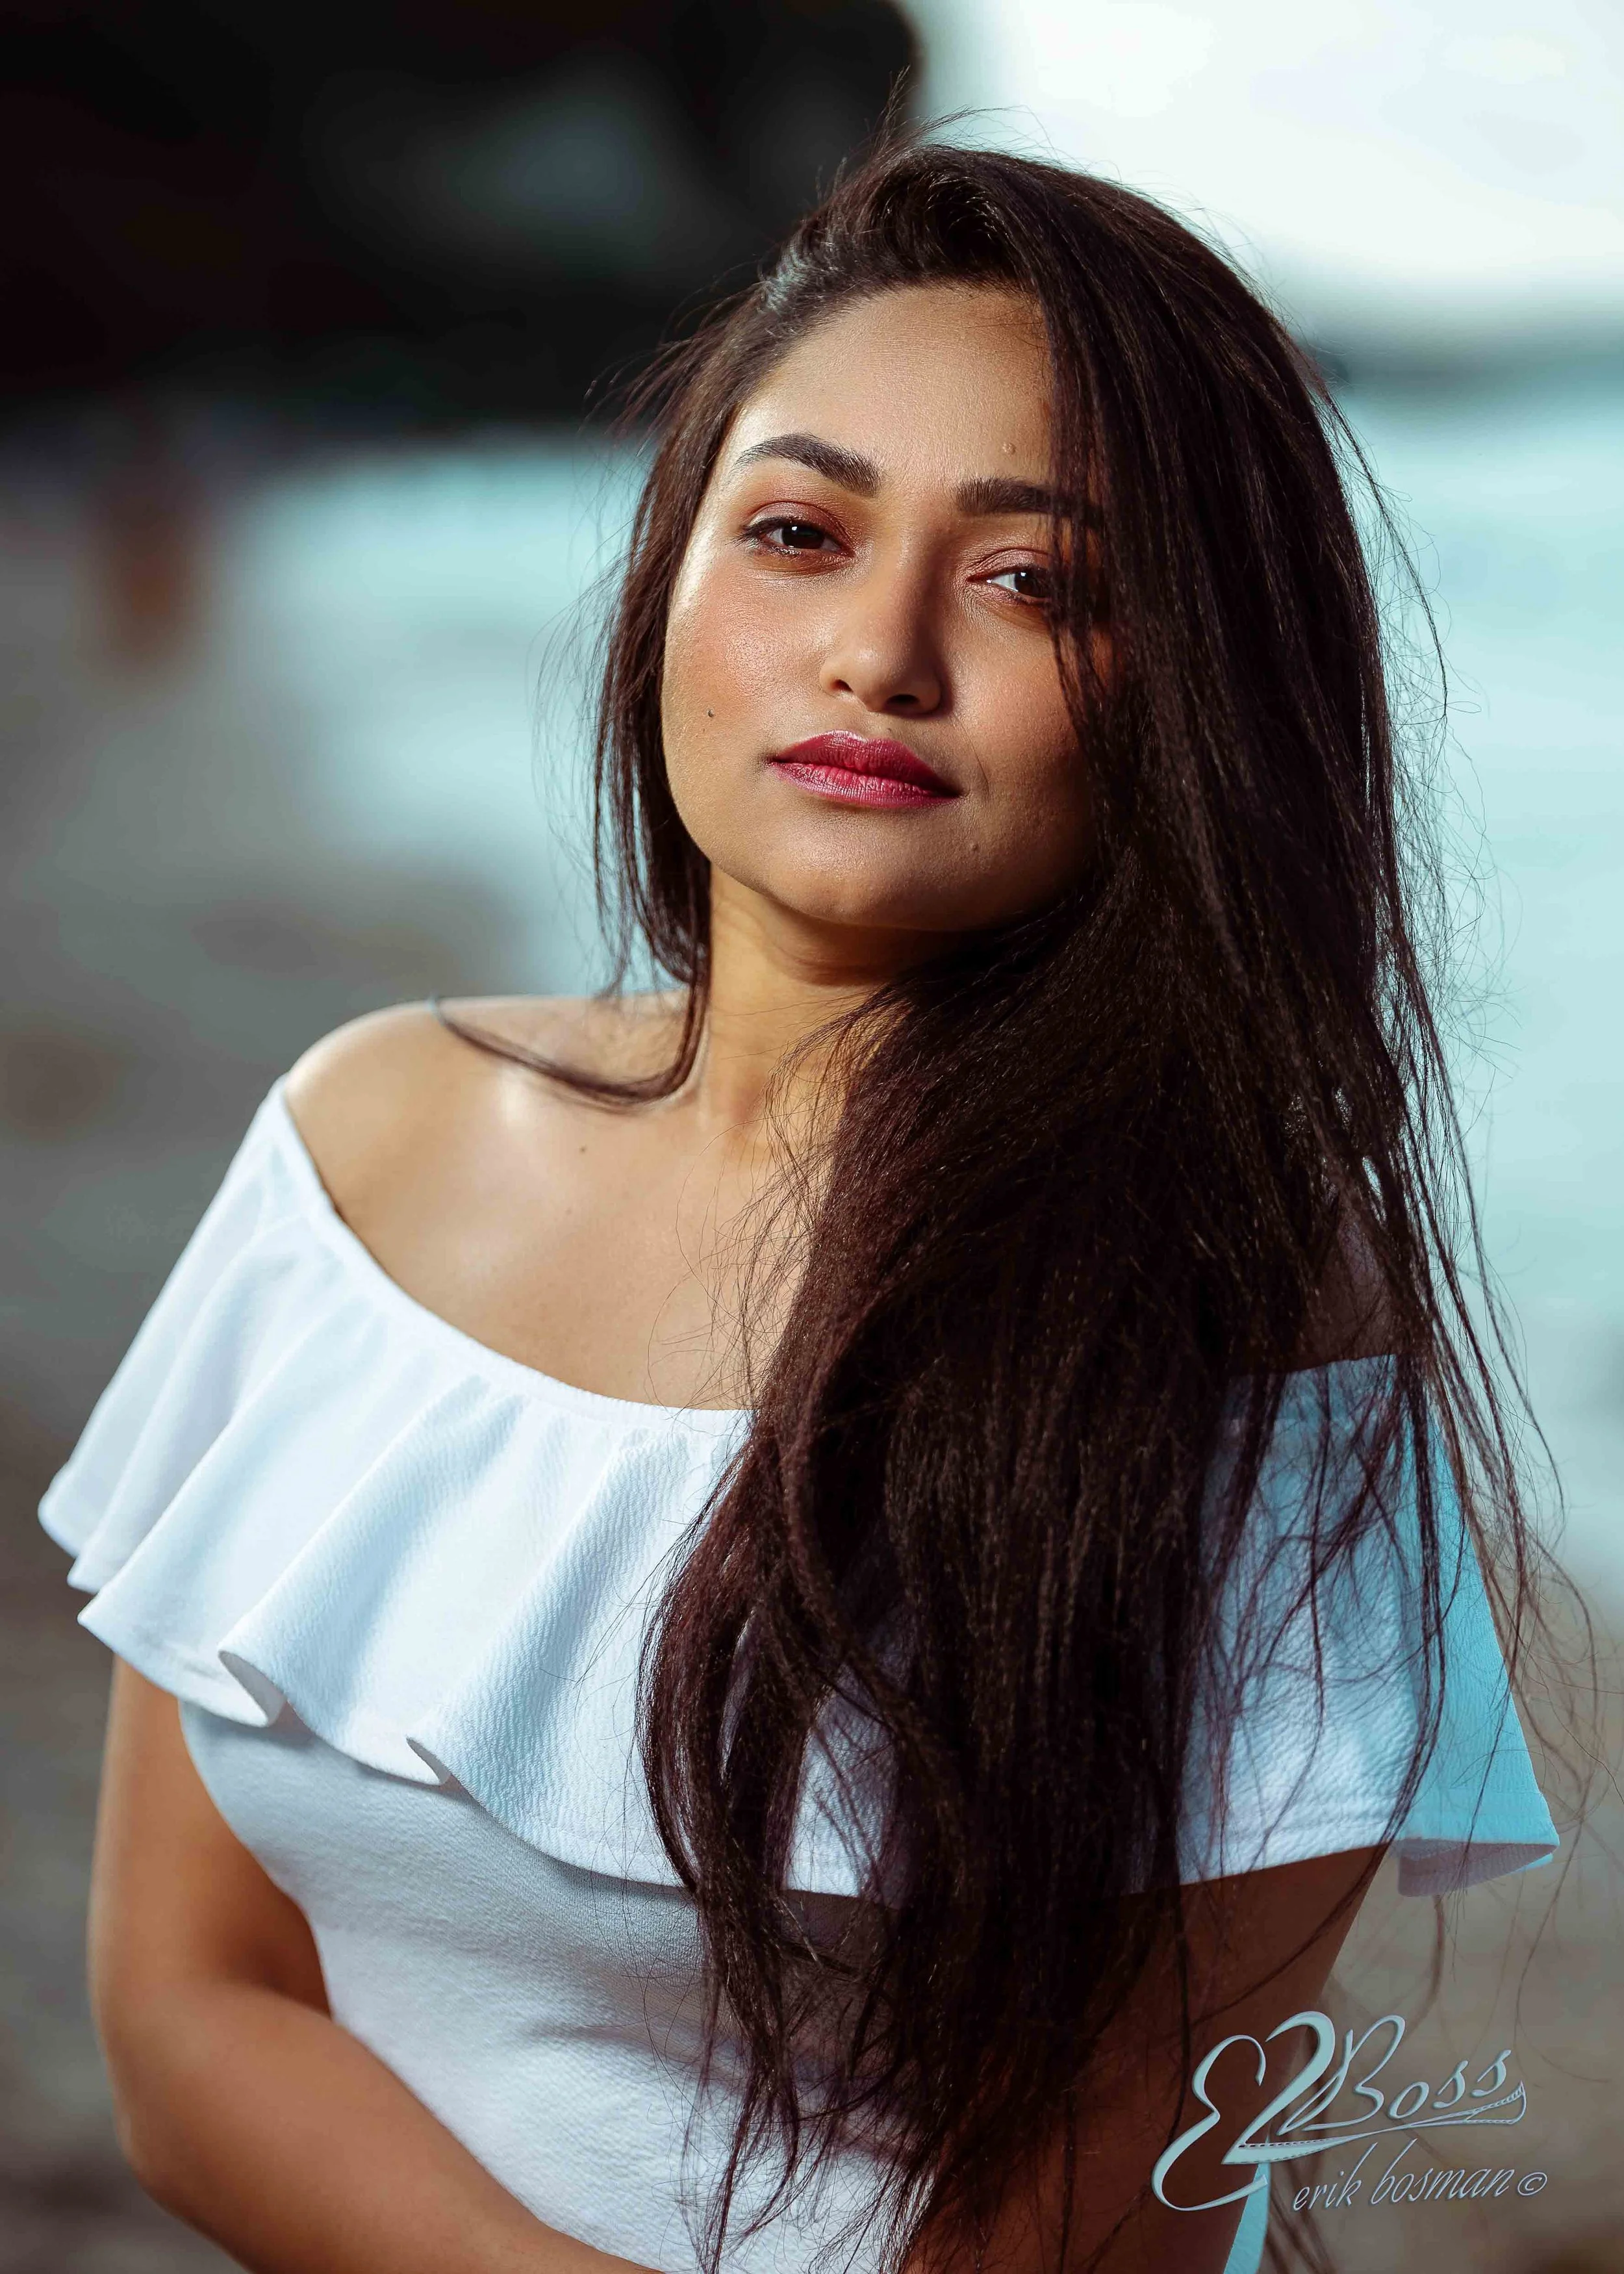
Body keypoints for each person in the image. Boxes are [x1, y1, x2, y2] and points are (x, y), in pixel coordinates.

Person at [41, 138, 1559, 2274]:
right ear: (668, 576)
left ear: (1195, 695)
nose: (877, 652)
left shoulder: (1244, 1321)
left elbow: (1089, 2229)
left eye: (1034, 580)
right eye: (795, 533)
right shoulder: (360, 1143)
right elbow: (186, 2020)